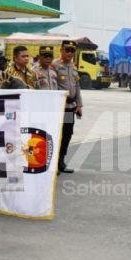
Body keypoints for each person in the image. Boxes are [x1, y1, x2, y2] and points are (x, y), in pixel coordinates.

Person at [52, 40, 83, 174]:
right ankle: (53, 163)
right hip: (59, 107)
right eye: (67, 50)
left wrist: (79, 104)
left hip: (70, 107)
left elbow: (77, 87)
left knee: (67, 134)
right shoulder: (55, 65)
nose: (70, 53)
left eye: (72, 50)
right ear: (61, 50)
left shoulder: (73, 67)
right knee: (57, 134)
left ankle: (61, 161)